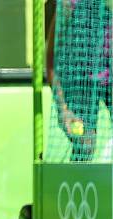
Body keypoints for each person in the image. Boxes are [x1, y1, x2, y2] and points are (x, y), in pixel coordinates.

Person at [47, 0, 112, 161]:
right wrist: (62, 108)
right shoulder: (69, 5)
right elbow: (51, 59)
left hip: (109, 77)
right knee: (85, 145)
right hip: (79, 82)